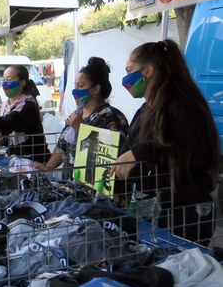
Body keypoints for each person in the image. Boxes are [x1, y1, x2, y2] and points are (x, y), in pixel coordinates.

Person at [110, 39, 219, 245]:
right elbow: (132, 148)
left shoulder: (182, 106)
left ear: (148, 71)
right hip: (155, 213)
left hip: (185, 215)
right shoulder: (146, 110)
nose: (125, 78)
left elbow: (192, 154)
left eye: (129, 69)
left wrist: (143, 151)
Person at [33, 57, 129, 180]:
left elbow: (108, 153)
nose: (75, 91)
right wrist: (47, 168)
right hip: (72, 185)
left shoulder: (112, 118)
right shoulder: (77, 114)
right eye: (75, 86)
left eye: (81, 86)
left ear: (96, 89)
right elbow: (63, 147)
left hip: (97, 190)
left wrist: (81, 128)